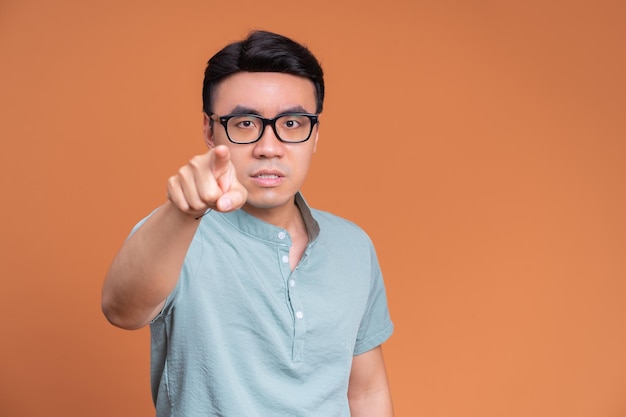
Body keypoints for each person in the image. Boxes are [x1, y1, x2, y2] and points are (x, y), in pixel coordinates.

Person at [101, 30, 394, 417]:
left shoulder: (354, 245)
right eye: (244, 123)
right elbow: (121, 310)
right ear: (210, 131)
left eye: (292, 123)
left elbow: (367, 392)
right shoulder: (174, 233)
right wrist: (181, 212)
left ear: (315, 134)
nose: (268, 147)